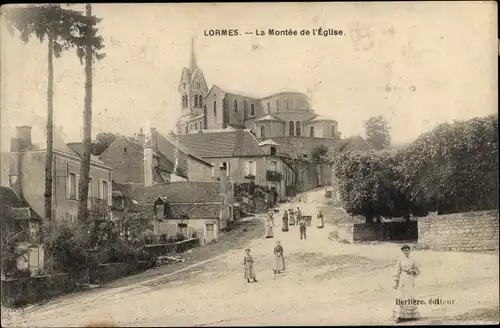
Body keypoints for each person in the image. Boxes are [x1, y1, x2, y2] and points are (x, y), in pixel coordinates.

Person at [392, 244, 420, 323]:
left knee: (410, 295)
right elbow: (397, 271)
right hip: (403, 279)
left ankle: (411, 315)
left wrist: (413, 271)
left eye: (407, 250)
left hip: (410, 279)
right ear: (402, 251)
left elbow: (417, 270)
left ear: (409, 251)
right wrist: (396, 282)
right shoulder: (400, 259)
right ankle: (399, 315)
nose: (406, 252)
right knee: (401, 295)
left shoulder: (413, 259)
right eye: (404, 251)